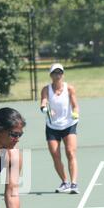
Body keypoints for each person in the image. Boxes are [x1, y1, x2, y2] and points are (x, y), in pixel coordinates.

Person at [40, 63, 80, 194]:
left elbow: (75, 105)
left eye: (60, 73)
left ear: (62, 75)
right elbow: (43, 103)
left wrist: (75, 113)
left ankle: (74, 184)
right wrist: (46, 110)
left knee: (70, 152)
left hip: (69, 125)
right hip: (52, 127)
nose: (58, 75)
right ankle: (65, 182)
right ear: (51, 75)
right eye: (55, 73)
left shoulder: (70, 89)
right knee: (55, 155)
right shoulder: (46, 89)